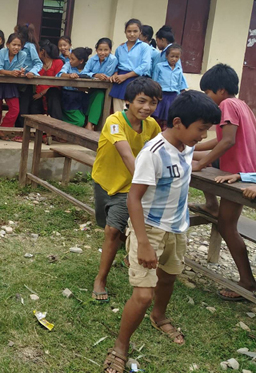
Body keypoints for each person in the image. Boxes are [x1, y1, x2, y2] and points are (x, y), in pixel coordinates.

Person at [102, 90, 221, 373]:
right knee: (143, 295)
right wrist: (143, 243)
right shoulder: (152, 153)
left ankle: (159, 315)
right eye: (201, 129)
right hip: (150, 230)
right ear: (178, 122)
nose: (203, 136)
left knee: (168, 277)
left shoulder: (186, 145)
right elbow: (133, 198)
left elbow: (194, 159)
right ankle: (120, 347)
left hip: (177, 228)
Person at [91, 77, 162, 303]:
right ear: (128, 101)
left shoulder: (152, 126)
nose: (147, 107)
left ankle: (100, 279)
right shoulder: (115, 121)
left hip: (131, 187)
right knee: (112, 227)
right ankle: (130, 251)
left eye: (153, 103)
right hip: (104, 181)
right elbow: (125, 153)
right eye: (142, 101)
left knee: (112, 231)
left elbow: (160, 152)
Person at [191, 64, 256, 301]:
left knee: (227, 226)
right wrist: (194, 147)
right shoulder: (242, 105)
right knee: (188, 154)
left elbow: (227, 142)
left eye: (207, 93)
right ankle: (210, 204)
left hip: (238, 172)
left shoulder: (226, 104)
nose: (207, 98)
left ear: (220, 90)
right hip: (238, 166)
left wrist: (201, 163)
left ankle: (247, 282)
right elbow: (221, 140)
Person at [110, 19, 152, 112]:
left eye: (135, 31)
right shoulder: (120, 48)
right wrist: (115, 74)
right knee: (118, 111)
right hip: (119, 81)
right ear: (125, 32)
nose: (132, 34)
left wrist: (125, 76)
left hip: (136, 80)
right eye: (129, 31)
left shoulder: (144, 47)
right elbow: (116, 65)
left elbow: (145, 65)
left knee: (132, 111)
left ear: (140, 32)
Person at [0, 33, 26, 141]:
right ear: (7, 44)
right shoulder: (2, 52)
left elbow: (18, 68)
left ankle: (2, 129)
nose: (16, 47)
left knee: (15, 108)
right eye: (14, 44)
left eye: (19, 45)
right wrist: (10, 73)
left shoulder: (22, 54)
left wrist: (19, 72)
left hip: (11, 84)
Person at [82, 38, 118, 130]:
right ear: (96, 50)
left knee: (100, 95)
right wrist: (95, 75)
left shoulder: (112, 59)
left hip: (107, 89)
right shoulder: (92, 59)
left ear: (110, 50)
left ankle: (90, 124)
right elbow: (84, 73)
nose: (102, 53)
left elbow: (107, 75)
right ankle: (89, 124)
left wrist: (97, 76)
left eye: (106, 50)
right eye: (100, 50)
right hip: (92, 88)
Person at [14, 24, 43, 135]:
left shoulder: (30, 46)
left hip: (26, 81)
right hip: (15, 79)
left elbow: (38, 63)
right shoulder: (16, 47)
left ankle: (23, 132)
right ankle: (17, 130)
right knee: (15, 106)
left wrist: (32, 72)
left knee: (24, 107)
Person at [151, 44, 188, 129]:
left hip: (173, 95)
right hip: (161, 94)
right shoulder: (159, 66)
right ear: (167, 56)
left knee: (168, 116)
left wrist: (178, 96)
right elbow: (154, 81)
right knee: (157, 116)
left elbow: (179, 84)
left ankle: (165, 131)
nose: (174, 59)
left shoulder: (179, 69)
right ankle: (155, 130)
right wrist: (155, 93)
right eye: (172, 56)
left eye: (177, 57)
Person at [56, 47, 92, 127]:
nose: (70, 61)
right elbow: (60, 74)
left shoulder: (88, 67)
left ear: (81, 61)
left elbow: (92, 76)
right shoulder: (68, 65)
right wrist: (69, 75)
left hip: (83, 96)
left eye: (73, 59)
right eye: (70, 58)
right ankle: (60, 125)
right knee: (79, 121)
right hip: (69, 96)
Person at [35, 40, 64, 120]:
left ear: (42, 51)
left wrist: (41, 93)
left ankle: (57, 124)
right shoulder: (38, 64)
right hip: (37, 93)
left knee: (53, 93)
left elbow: (58, 83)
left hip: (52, 92)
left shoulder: (58, 62)